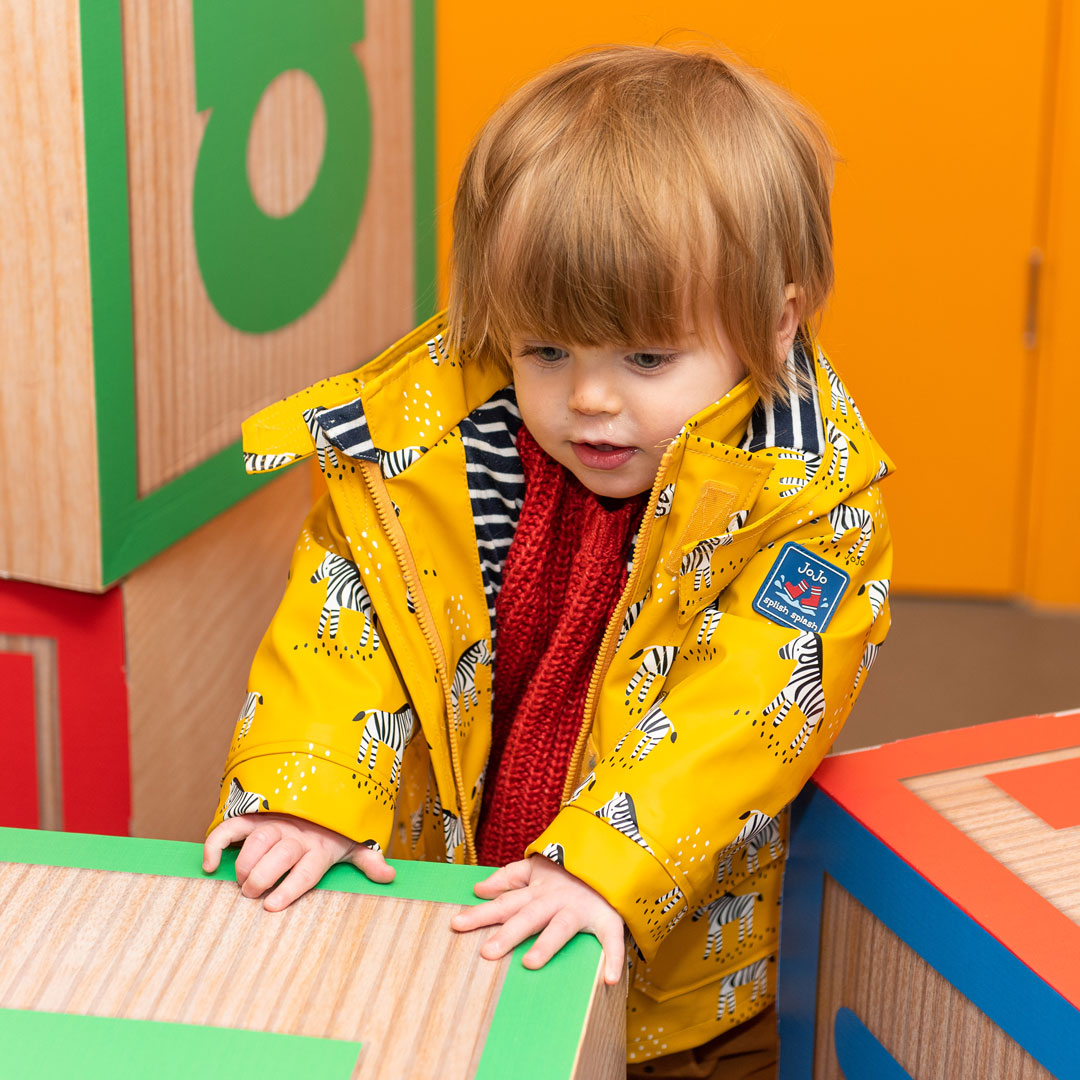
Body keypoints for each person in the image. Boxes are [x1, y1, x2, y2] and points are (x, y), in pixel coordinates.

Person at [203, 42, 892, 1078]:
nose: (591, 401)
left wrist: (605, 868)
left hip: (674, 985)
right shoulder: (424, 450)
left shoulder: (806, 495)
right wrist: (311, 788)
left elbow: (745, 711)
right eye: (547, 350)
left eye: (648, 358)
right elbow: (347, 625)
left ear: (774, 323)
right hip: (454, 918)